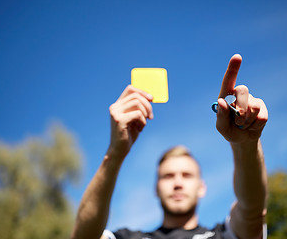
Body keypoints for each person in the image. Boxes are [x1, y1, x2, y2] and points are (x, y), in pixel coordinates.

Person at [71, 54, 268, 239]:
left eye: (187, 175)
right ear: (156, 188)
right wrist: (114, 153)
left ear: (202, 187)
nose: (177, 183)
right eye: (168, 176)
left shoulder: (224, 235)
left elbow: (252, 212)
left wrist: (246, 145)